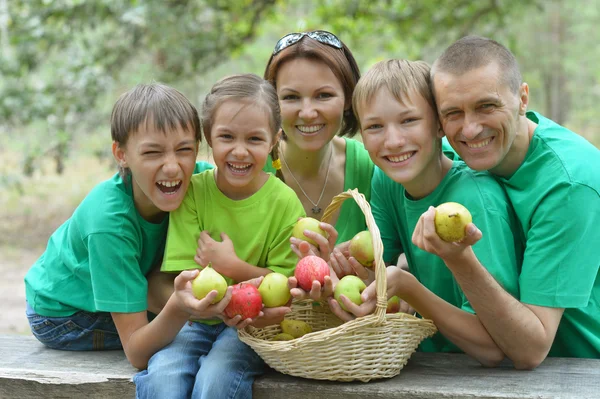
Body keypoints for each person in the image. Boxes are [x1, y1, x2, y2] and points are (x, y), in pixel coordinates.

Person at [325, 59, 522, 366]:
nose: (393, 141)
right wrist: (335, 266)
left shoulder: (473, 202)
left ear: (440, 125)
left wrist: (409, 288)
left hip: (475, 373)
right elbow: (375, 266)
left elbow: (495, 347)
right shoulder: (387, 180)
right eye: (375, 126)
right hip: (418, 362)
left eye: (409, 121)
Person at [426, 35, 600, 367]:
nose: (470, 129)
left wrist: (459, 259)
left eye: (486, 106)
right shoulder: (453, 157)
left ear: (522, 99)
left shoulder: (569, 184)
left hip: (581, 371)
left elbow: (530, 350)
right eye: (453, 113)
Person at [23, 83, 220, 369]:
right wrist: (177, 309)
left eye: (184, 149)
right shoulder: (110, 223)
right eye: (152, 153)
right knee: (192, 333)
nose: (172, 167)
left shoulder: (201, 183)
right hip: (64, 313)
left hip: (126, 287)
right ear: (121, 154)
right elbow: (137, 353)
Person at [133, 74, 306, 399]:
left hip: (252, 328)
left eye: (254, 139)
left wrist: (233, 266)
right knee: (163, 378)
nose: (239, 151)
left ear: (273, 140)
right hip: (195, 321)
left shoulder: (284, 203)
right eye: (227, 136)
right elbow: (185, 279)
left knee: (216, 380)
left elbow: (285, 287)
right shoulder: (195, 193)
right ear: (209, 139)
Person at [262, 30, 375, 299]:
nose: (308, 112)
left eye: (323, 95)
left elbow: (403, 256)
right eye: (291, 97)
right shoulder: (250, 170)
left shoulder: (372, 169)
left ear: (348, 99)